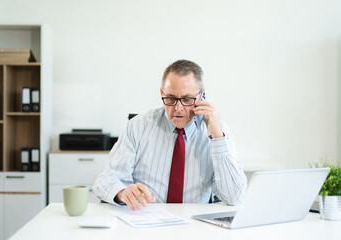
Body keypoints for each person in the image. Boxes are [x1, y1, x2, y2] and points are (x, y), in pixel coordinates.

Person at [93, 59, 247, 211]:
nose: (178, 108)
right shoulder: (137, 127)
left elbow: (234, 198)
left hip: (196, 225)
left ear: (201, 96)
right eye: (171, 98)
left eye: (187, 99)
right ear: (162, 93)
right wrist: (122, 193)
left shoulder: (218, 131)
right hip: (146, 221)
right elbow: (105, 181)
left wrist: (217, 137)